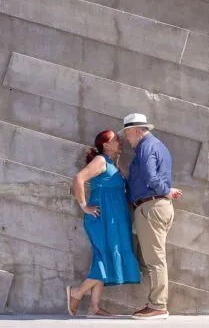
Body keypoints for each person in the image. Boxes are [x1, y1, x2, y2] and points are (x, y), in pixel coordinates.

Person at [66, 129, 141, 317]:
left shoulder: (111, 163)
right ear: (106, 145)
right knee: (105, 257)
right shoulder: (100, 161)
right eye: (116, 140)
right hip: (102, 219)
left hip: (114, 220)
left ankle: (94, 307)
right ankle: (77, 292)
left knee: (103, 256)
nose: (120, 142)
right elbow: (78, 179)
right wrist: (84, 206)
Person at [121, 113, 182, 321]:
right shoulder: (157, 146)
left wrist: (164, 191)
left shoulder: (146, 147)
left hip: (151, 207)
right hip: (157, 206)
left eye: (128, 134)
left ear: (137, 130)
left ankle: (158, 306)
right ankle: (156, 303)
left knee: (155, 259)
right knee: (156, 257)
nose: (127, 139)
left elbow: (150, 176)